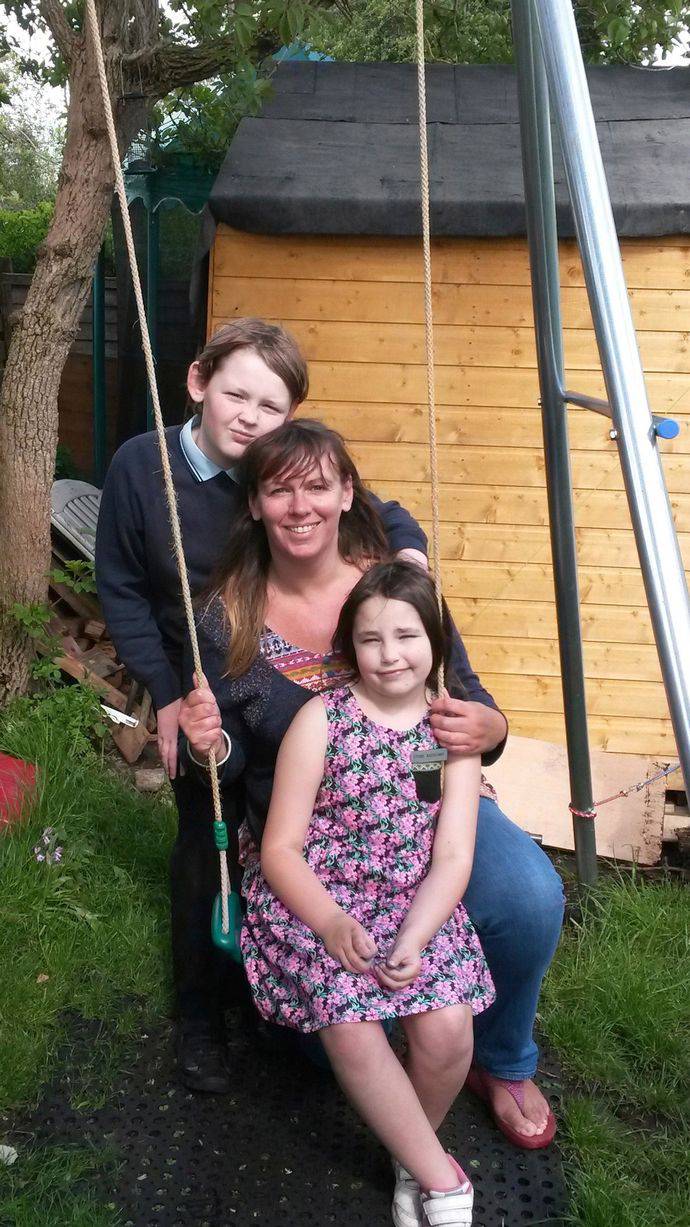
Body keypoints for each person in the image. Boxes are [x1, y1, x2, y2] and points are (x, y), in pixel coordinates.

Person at [180, 419, 563, 1153]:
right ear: (254, 504)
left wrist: (491, 727)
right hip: (312, 834)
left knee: (529, 895)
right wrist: (211, 746)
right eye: (279, 491)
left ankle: (502, 1057)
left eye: (317, 488)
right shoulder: (226, 615)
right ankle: (411, 1086)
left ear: (347, 494)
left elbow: (467, 697)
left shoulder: (394, 584)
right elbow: (228, 762)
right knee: (332, 1050)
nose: (300, 507)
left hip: (423, 808)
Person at [94, 320, 429, 1093]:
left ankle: (286, 983)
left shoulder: (280, 472)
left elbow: (380, 511)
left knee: (303, 828)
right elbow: (122, 590)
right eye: (236, 394)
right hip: (200, 681)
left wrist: (409, 555)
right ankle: (201, 1014)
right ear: (197, 383)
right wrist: (166, 692)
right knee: (206, 835)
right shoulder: (142, 466)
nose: (249, 417)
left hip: (284, 676)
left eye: (270, 405)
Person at [254, 561, 495, 1225]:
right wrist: (331, 922)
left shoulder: (449, 736)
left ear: (435, 642)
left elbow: (452, 854)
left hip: (414, 898)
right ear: (350, 647)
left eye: (407, 635)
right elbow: (280, 850)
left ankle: (409, 1157)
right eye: (370, 639)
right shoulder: (322, 719)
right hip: (320, 898)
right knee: (351, 1018)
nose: (390, 654)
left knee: (448, 1028)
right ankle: (444, 1180)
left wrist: (416, 934)